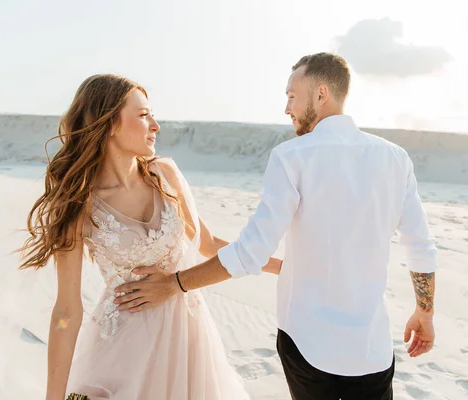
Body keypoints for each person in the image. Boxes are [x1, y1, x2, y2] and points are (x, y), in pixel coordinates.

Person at [115, 53, 438, 400]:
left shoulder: (292, 156)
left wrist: (175, 285)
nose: (287, 108)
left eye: (291, 96)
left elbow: (251, 251)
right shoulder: (394, 158)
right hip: (371, 349)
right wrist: (425, 313)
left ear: (321, 94)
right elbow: (420, 247)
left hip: (306, 342)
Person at [17, 74, 282, 400]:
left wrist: (285, 267)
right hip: (123, 350)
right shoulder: (78, 204)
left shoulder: (165, 175)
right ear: (110, 123)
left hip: (189, 340)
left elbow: (208, 245)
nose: (155, 125)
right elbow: (66, 311)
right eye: (143, 116)